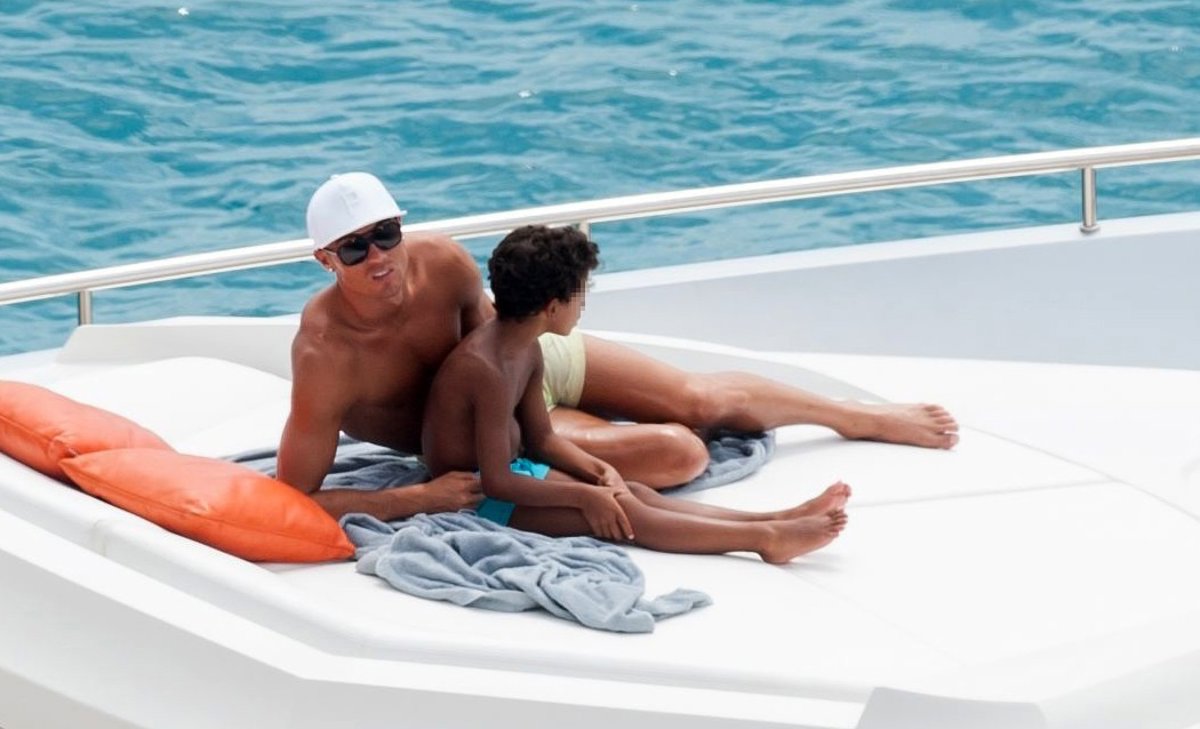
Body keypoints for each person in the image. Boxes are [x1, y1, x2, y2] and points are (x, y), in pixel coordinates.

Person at [277, 172, 957, 519]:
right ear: (324, 260)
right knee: (680, 450)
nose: (379, 257)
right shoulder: (324, 356)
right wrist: (413, 499)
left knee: (699, 398)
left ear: (402, 226)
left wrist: (538, 410)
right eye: (355, 247)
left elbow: (504, 339)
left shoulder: (444, 262)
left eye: (386, 234)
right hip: (486, 426)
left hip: (525, 371)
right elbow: (298, 493)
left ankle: (857, 417)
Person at [420, 224, 848, 562]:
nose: (582, 306)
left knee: (632, 492)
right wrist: (585, 496)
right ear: (552, 307)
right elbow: (498, 481)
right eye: (579, 295)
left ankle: (776, 518)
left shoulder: (525, 347)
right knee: (629, 515)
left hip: (515, 474)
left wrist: (597, 470)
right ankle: (765, 540)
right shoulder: (488, 369)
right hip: (476, 497)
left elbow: (543, 439)